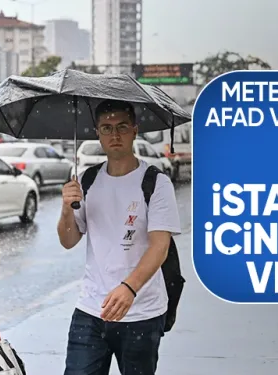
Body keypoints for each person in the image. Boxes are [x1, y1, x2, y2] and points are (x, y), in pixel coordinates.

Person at [57, 99, 181, 375]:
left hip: (141, 311)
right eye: (106, 127)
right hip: (91, 309)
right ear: (97, 133)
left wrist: (129, 288)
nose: (114, 135)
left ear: (135, 130)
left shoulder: (155, 182)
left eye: (122, 127)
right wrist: (67, 208)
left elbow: (160, 246)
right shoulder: (88, 180)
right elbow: (68, 240)